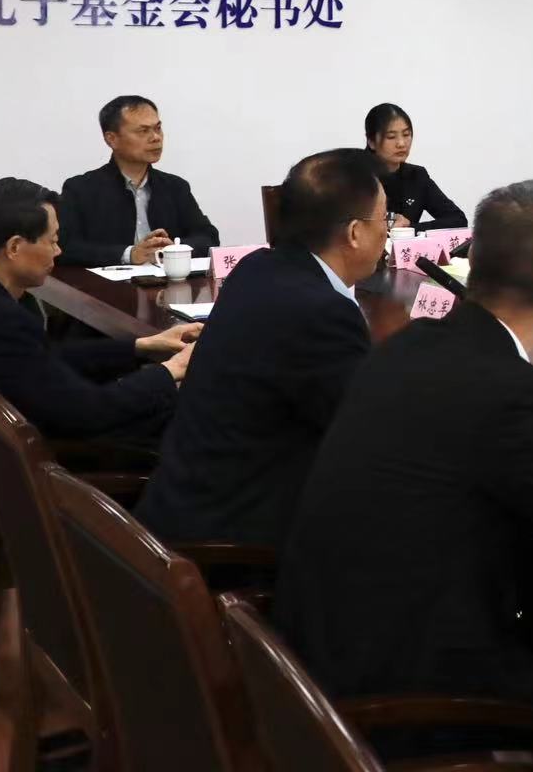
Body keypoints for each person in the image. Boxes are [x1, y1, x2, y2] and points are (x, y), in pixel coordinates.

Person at [273, 180, 533, 716]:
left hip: (307, 655)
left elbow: (487, 458)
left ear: (472, 264)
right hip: (404, 693)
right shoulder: (517, 393)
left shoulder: (408, 345)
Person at [135, 149, 385, 548]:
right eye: (384, 220)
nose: (387, 233)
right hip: (231, 536)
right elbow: (361, 438)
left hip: (185, 501)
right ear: (354, 233)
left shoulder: (258, 267)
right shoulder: (323, 312)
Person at [0, 177, 197, 450]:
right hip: (42, 457)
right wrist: (169, 371)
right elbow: (89, 413)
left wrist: (143, 346)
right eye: (52, 241)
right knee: (193, 415)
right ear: (14, 247)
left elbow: (47, 358)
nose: (58, 251)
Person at [57, 95, 220, 268]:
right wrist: (129, 254)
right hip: (109, 283)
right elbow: (66, 248)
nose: (156, 137)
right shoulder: (81, 189)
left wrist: (174, 249)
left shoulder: (175, 187)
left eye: (158, 128)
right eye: (143, 131)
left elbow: (208, 237)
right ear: (112, 139)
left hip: (167, 281)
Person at [365, 102, 467, 232]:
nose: (401, 143)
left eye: (406, 134)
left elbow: (458, 220)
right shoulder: (355, 177)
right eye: (391, 137)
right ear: (371, 141)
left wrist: (410, 228)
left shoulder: (416, 176)